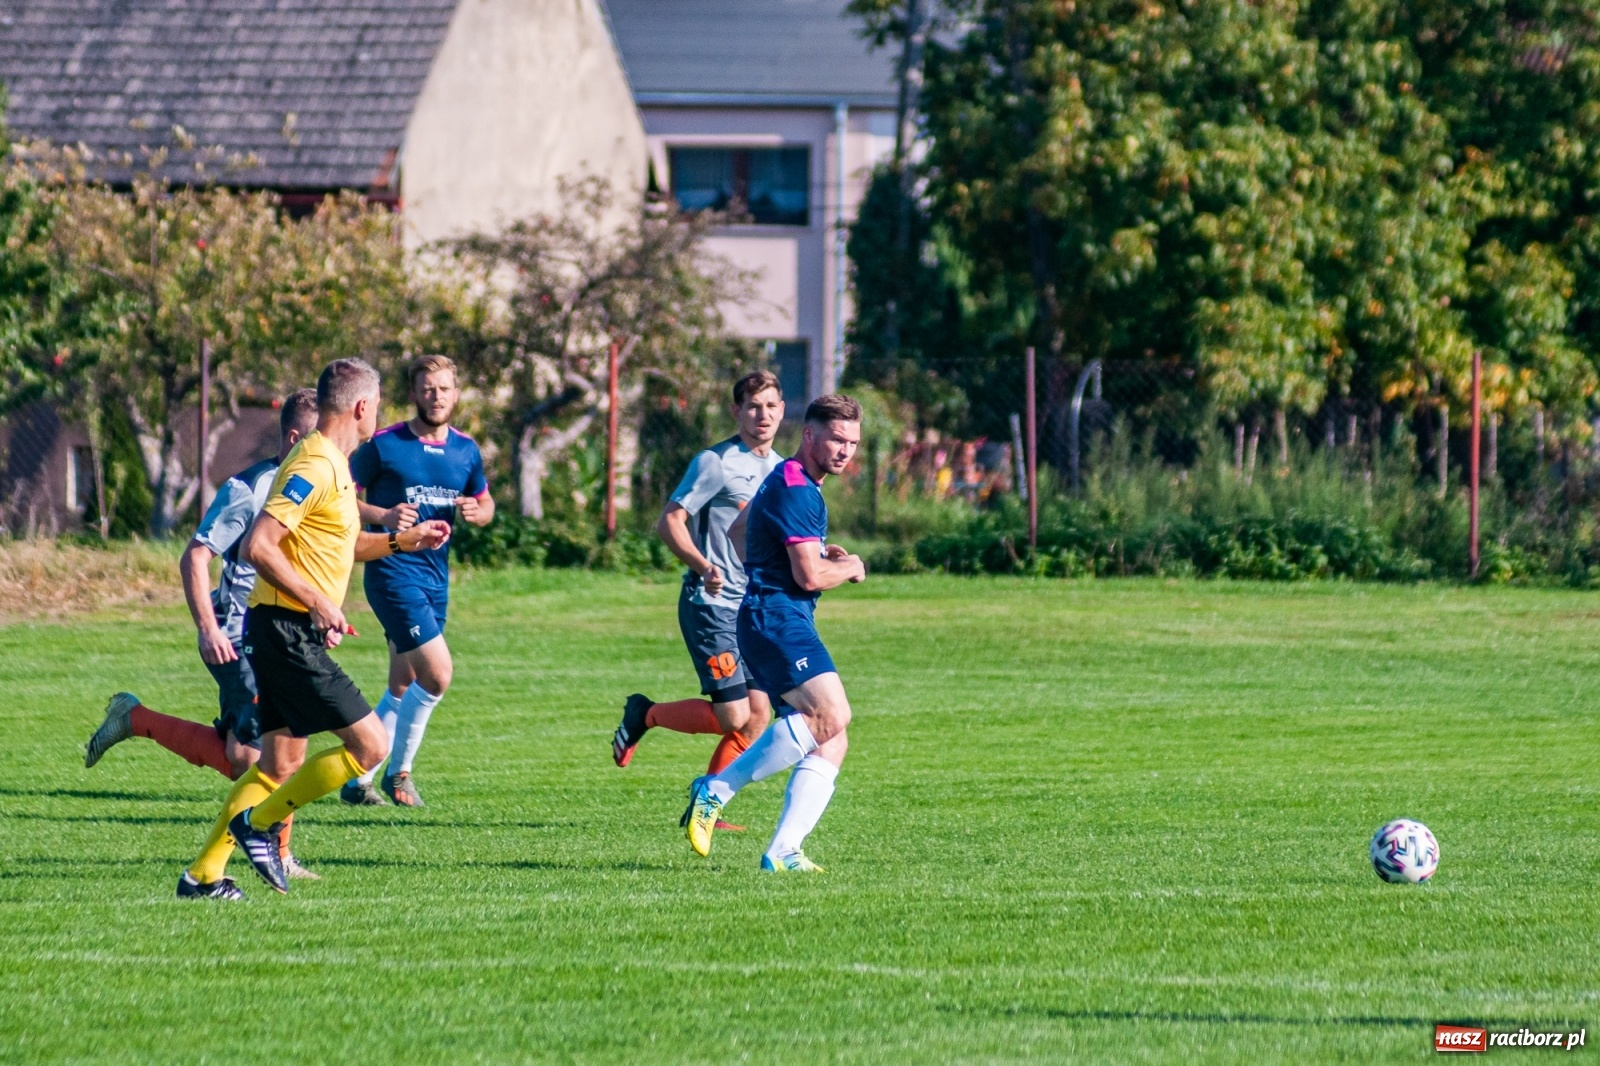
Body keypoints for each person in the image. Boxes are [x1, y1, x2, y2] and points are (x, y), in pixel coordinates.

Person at [176, 358, 451, 900]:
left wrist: (403, 541)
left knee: (279, 763)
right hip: (283, 630)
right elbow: (259, 545)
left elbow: (345, 546)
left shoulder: (333, 465)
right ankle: (257, 829)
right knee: (370, 746)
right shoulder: (316, 465)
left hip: (282, 627)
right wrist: (319, 602)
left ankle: (203, 875)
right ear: (362, 407)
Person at [85, 389, 321, 881]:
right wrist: (208, 627)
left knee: (247, 755)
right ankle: (278, 852)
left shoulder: (317, 484)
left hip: (281, 631)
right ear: (296, 438)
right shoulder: (249, 489)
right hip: (239, 636)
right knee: (268, 753)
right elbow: (195, 556)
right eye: (324, 439)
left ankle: (136, 718)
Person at [681, 394, 866, 872]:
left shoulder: (784, 478)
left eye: (852, 443)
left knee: (832, 738)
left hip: (771, 618)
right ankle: (714, 789)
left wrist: (800, 557)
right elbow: (807, 578)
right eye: (836, 439)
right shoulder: (799, 489)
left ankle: (784, 850)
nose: (845, 451)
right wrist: (848, 567)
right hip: (776, 620)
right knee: (832, 714)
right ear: (809, 435)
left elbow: (741, 531)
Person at [611, 371, 785, 812]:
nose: (762, 415)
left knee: (758, 716)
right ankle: (645, 714)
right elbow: (670, 520)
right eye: (752, 406)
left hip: (751, 609)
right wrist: (703, 565)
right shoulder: (716, 462)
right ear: (736, 411)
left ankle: (705, 803)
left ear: (782, 410)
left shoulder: (782, 468)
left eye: (770, 406)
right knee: (733, 716)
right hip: (710, 605)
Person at [338, 354, 493, 808]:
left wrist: (477, 513)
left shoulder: (466, 450)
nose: (436, 396)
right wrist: (382, 515)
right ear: (415, 393)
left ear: (456, 393)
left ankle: (357, 778)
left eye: (444, 388)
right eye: (427, 388)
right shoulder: (385, 445)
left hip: (434, 577)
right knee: (438, 673)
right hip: (391, 571)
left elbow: (485, 503)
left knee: (404, 685)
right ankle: (400, 775)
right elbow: (339, 493)